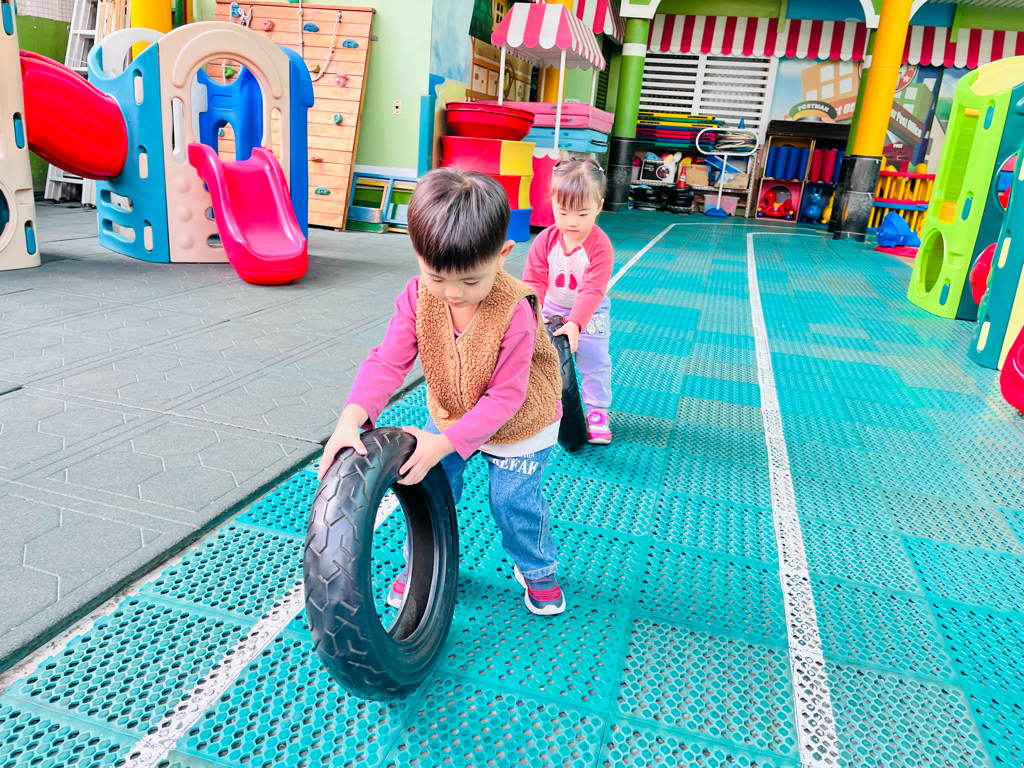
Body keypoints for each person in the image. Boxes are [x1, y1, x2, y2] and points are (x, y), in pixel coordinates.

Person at [319, 168, 567, 616]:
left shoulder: (515, 311)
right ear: (418, 256)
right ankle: (425, 564)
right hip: (454, 412)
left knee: (512, 502)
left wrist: (443, 443)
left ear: (502, 254)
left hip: (521, 424)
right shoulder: (417, 298)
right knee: (427, 487)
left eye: (471, 281)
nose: (452, 293)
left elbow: (505, 398)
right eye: (437, 277)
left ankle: (537, 568)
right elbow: (387, 362)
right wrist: (351, 418)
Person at [522, 157, 615, 444]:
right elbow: (534, 281)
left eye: (583, 214)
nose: (571, 222)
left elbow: (592, 289)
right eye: (562, 212)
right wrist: (533, 312)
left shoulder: (600, 246)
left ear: (599, 206)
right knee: (539, 357)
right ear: (552, 204)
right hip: (551, 308)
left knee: (594, 360)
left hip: (591, 312)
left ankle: (597, 411)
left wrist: (575, 323)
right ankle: (539, 407)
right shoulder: (545, 240)